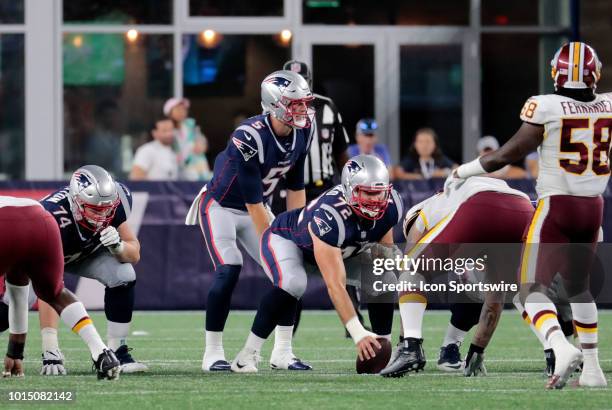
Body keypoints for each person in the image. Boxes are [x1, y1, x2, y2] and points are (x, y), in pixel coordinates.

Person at [449, 41, 610, 389]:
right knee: (580, 290)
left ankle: (558, 345)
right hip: (594, 207)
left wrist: (462, 171)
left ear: (557, 72)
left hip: (557, 207)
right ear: (594, 74)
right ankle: (593, 370)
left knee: (528, 290)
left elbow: (503, 155)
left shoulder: (546, 106)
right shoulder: (609, 104)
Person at [184, 70, 314, 372]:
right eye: (295, 104)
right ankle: (212, 354)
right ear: (274, 104)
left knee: (290, 273)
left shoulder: (302, 131)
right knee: (229, 269)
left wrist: (299, 229)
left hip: (258, 206)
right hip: (221, 207)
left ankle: (283, 352)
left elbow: (296, 186)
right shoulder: (249, 135)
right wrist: (276, 242)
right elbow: (253, 200)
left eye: (304, 103)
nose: (302, 110)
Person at [231, 155, 403, 372]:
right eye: (368, 193)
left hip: (338, 251)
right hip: (287, 240)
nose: (375, 200)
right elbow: (335, 286)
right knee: (294, 282)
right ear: (350, 190)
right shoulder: (331, 216)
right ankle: (246, 355)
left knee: (383, 277)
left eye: (379, 193)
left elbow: (382, 254)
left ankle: (383, 351)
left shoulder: (391, 204)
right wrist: (358, 333)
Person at [379, 176, 533, 377]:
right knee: (506, 291)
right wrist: (477, 350)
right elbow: (495, 301)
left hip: (480, 207)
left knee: (413, 269)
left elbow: (409, 273)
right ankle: (555, 348)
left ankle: (411, 348)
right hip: (525, 207)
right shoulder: (453, 200)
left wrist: (404, 339)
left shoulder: (425, 214)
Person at [33, 165, 146, 375]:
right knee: (7, 309)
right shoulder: (52, 218)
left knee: (124, 275)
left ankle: (117, 351)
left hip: (86, 254)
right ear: (76, 202)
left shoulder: (116, 201)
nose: (102, 216)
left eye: (107, 209)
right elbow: (47, 285)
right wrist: (50, 347)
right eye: (95, 209)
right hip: (43, 259)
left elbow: (134, 253)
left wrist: (118, 247)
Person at [0, 196, 120, 379]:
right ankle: (102, 352)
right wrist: (14, 353)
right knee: (56, 293)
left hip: (5, 224)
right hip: (41, 218)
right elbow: (18, 297)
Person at [164, 97, 212, 181]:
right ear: (169, 112)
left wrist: (203, 145)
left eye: (184, 109)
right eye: (178, 109)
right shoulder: (166, 128)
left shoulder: (191, 125)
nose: (182, 112)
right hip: (177, 172)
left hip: (197, 169)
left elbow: (202, 142)